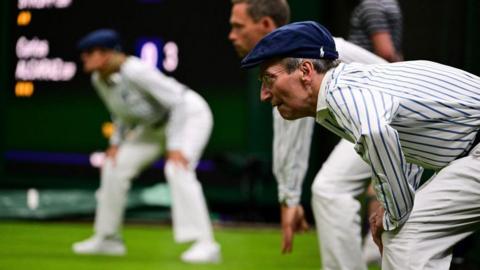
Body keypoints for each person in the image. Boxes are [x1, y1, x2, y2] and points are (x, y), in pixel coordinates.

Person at [241, 21, 480, 270]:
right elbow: (405, 142)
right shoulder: (346, 84)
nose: (264, 94)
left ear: (306, 70)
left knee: (406, 238)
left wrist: (393, 216)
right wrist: (393, 212)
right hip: (471, 151)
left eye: (269, 78)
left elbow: (376, 133)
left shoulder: (339, 92)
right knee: (402, 233)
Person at [229, 1, 385, 269]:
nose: (231, 35)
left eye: (238, 26)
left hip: (397, 121)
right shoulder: (288, 55)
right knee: (330, 189)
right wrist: (289, 197)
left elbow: (292, 130)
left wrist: (289, 199)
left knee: (331, 190)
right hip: (379, 122)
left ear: (266, 24)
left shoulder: (298, 53)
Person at [71, 29, 221, 264]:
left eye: (89, 52)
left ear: (107, 54)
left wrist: (176, 146)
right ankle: (108, 239)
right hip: (152, 127)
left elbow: (177, 101)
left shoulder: (135, 70)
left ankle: (206, 244)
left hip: (188, 114)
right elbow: (119, 113)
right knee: (113, 165)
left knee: (177, 169)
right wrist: (116, 144)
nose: (84, 57)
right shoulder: (98, 79)